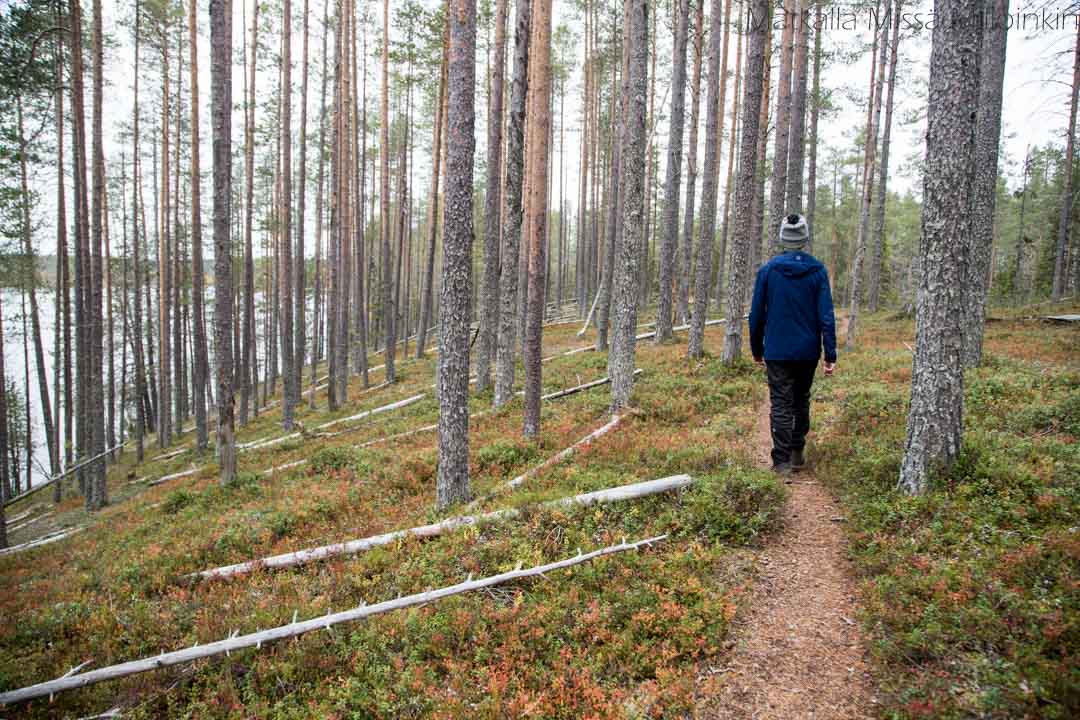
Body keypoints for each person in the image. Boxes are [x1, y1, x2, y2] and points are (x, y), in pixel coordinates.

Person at [748, 213, 837, 475]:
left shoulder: (768, 271)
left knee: (781, 403)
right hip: (808, 351)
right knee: (801, 400)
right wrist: (830, 353)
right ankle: (797, 452)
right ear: (805, 238)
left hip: (777, 351)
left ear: (782, 237)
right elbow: (826, 316)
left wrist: (757, 349)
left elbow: (756, 315)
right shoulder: (818, 271)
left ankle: (782, 462)